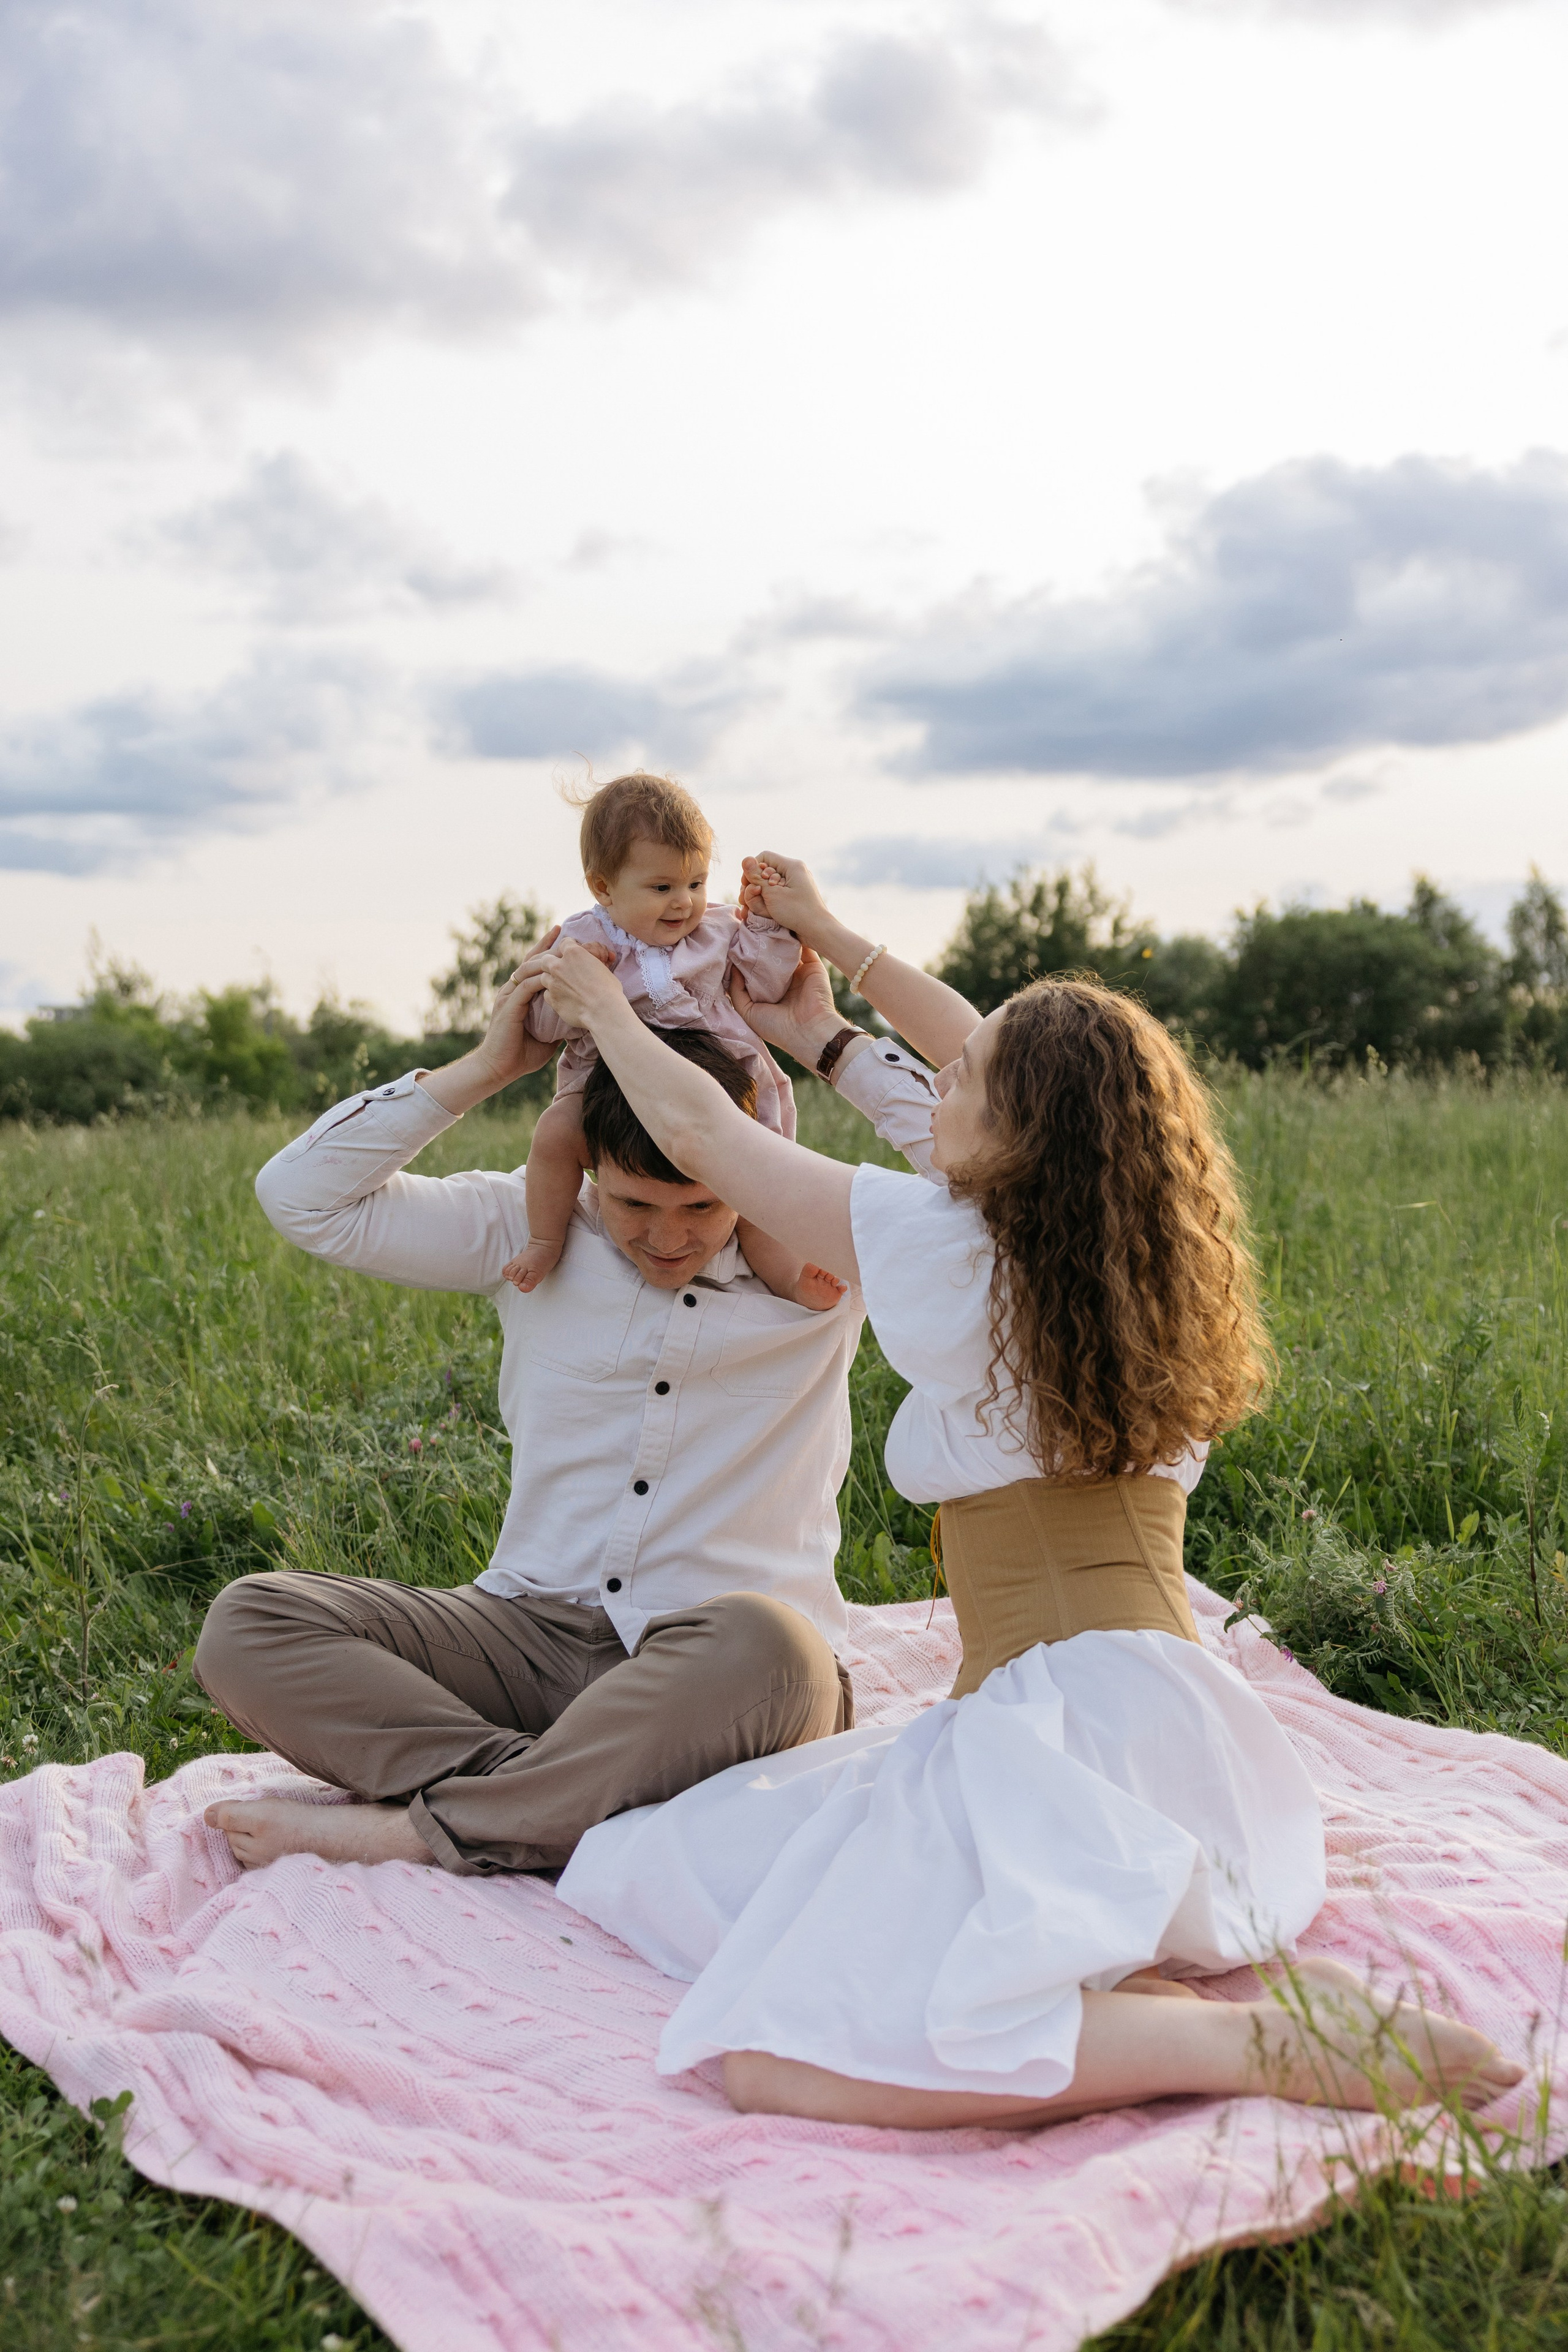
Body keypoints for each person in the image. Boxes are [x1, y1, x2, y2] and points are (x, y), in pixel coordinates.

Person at [543, 854, 1524, 2127]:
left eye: (965, 1080)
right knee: (689, 1857)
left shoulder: (956, 1257)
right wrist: (823, 1004)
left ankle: (1244, 2045)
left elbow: (701, 1137)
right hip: (1188, 1741)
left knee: (772, 2051)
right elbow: (1006, 1071)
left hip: (1055, 1740)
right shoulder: (1134, 1273)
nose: (938, 1077)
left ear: (1016, 1136)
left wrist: (604, 1008)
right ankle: (1169, 1995)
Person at [196, 943, 943, 1879]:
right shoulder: (530, 1228)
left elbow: (985, 1192)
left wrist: (823, 1037)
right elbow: (300, 1199)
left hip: (720, 1669)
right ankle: (553, 1802)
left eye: (701, 1207)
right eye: (634, 1205)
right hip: (527, 1634)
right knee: (252, 1623)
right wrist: (488, 1068)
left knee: (776, 1646)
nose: (666, 1237)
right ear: (587, 1166)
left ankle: (435, 1826)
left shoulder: (824, 1242)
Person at [503, 770, 831, 1309]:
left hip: (722, 1081)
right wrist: (568, 979)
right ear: (603, 887)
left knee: (756, 1181)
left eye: (696, 884)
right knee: (556, 1131)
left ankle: (789, 1277)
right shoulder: (582, 939)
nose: (683, 903)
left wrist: (769, 926)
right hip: (607, 1085)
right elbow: (541, 1027)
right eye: (662, 888)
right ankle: (544, 1239)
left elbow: (767, 984)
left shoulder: (720, 930)